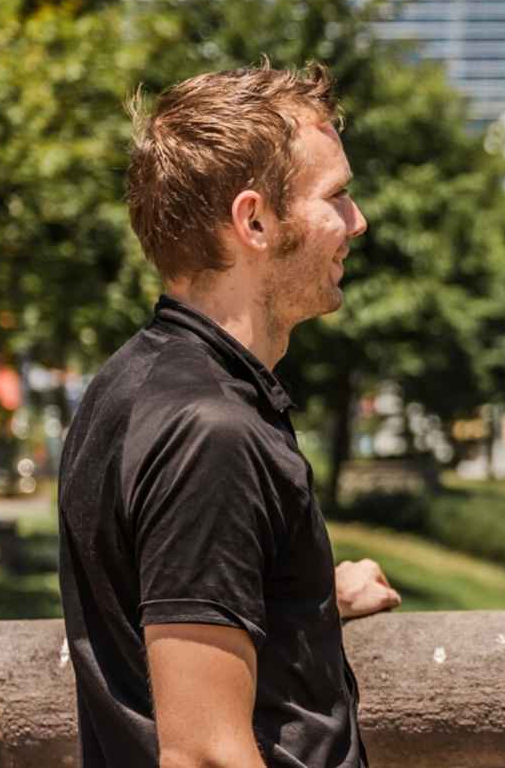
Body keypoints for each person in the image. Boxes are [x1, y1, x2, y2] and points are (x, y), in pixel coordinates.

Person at [58, 62, 401, 768]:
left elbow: (160, 600)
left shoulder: (134, 383)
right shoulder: (211, 430)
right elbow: (204, 754)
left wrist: (304, 600)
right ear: (255, 220)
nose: (357, 222)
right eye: (336, 196)